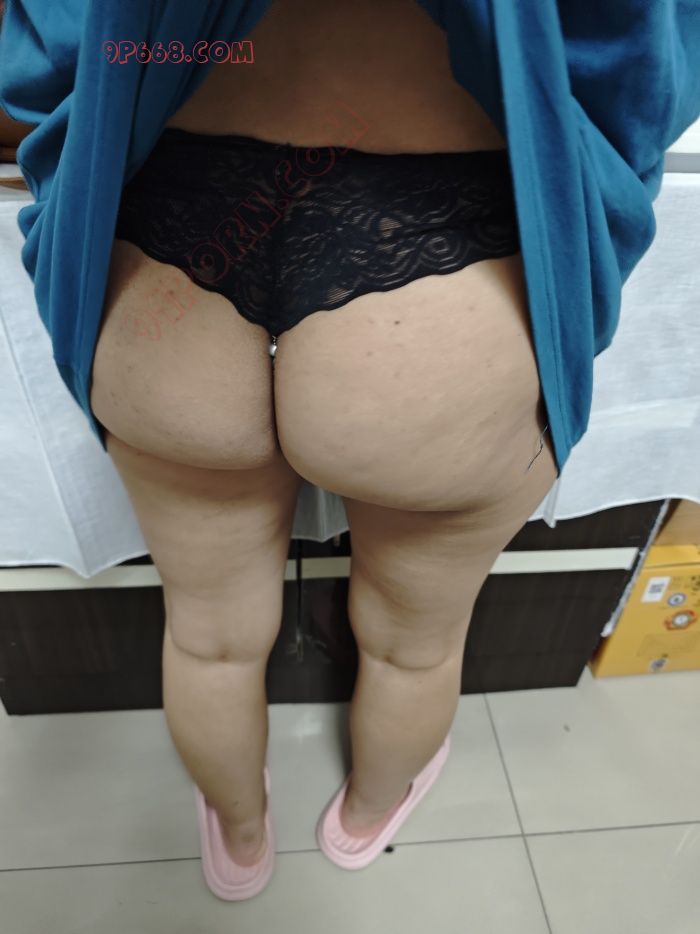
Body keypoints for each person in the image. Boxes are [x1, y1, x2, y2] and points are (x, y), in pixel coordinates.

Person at [1, 0, 698, 902]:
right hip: (451, 261)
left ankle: (241, 839)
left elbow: (47, 49)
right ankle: (365, 817)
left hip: (168, 257)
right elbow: (639, 70)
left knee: (209, 636)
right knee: (415, 646)